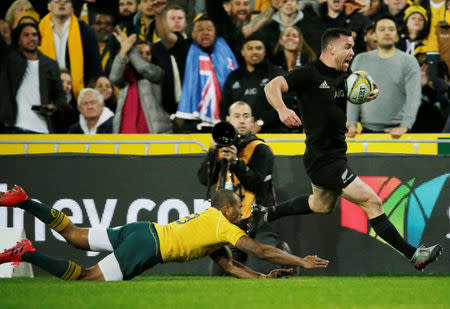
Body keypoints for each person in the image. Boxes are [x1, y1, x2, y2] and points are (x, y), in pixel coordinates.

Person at [259, 27, 442, 271]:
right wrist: (282, 109)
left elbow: (337, 103)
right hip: (323, 158)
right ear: (331, 48)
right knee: (372, 201)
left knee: (320, 205)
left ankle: (265, 214)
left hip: (334, 155)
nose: (352, 52)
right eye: (348, 47)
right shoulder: (308, 74)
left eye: (353, 47)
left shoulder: (344, 77)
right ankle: (414, 255)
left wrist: (367, 94)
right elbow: (271, 86)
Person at [0, 187, 329, 281]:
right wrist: (301, 259)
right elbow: (259, 250)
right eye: (238, 210)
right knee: (86, 279)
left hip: (144, 229)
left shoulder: (210, 228)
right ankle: (25, 253)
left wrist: (262, 281)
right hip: (148, 245)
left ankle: (24, 201)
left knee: (72, 234)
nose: (241, 215)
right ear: (227, 208)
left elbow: (231, 266)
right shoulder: (221, 224)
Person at [199, 102, 287, 274]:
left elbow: (255, 183)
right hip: (233, 223)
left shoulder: (261, 149)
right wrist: (211, 151)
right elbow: (204, 180)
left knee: (265, 271)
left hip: (259, 220)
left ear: (252, 121)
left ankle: (280, 252)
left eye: (246, 116)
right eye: (237, 116)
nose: (242, 121)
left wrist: (236, 163)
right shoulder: (221, 149)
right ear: (228, 120)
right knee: (220, 275)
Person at [346, 15, 421, 138]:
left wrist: (405, 126)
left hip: (399, 132)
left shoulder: (409, 62)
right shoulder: (360, 59)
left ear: (396, 35)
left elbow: (414, 97)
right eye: (382, 29)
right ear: (374, 34)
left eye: (391, 29)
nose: (387, 33)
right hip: (366, 131)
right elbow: (354, 96)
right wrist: (351, 123)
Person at [219, 37, 296, 133]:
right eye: (250, 48)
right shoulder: (233, 76)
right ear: (243, 52)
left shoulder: (276, 74)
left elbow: (287, 103)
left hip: (273, 133)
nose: (255, 52)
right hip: (239, 135)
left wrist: (261, 122)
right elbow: (224, 107)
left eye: (258, 48)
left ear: (264, 51)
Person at [0, 23, 66, 134]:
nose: (31, 38)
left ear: (39, 39)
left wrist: (54, 107)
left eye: (34, 35)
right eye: (26, 35)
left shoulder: (50, 64)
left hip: (42, 128)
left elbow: (60, 96)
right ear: (18, 40)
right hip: (13, 126)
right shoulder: (9, 61)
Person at [110, 27, 172, 134]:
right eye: (140, 53)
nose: (144, 56)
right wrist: (123, 51)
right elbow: (114, 78)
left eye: (148, 53)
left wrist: (129, 49)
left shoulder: (156, 72)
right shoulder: (126, 74)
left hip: (151, 132)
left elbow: (143, 67)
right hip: (125, 131)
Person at [38, 0, 102, 98]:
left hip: (77, 94)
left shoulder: (85, 30)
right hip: (45, 91)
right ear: (49, 6)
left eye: (66, 1)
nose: (62, 3)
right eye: (57, 1)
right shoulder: (37, 30)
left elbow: (94, 67)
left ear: (72, 6)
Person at [151, 4, 188, 116]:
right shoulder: (154, 48)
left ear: (186, 22)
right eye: (172, 18)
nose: (176, 21)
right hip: (163, 108)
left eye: (180, 18)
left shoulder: (194, 46)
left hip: (190, 106)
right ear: (164, 22)